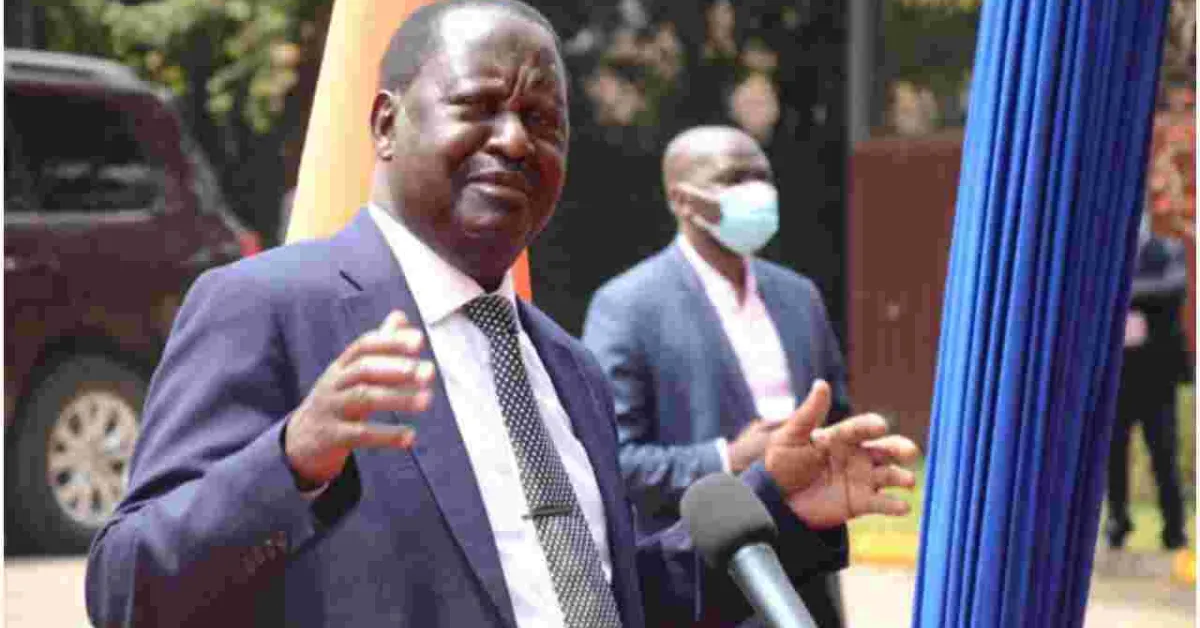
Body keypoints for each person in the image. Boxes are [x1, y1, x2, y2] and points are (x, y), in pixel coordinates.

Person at [84, 2, 920, 626]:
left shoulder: (568, 368)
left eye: (542, 120)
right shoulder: (267, 307)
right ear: (385, 124)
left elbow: (600, 600)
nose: (516, 140)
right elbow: (126, 587)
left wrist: (775, 508)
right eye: (479, 105)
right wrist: (292, 461)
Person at [583, 126, 853, 627]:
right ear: (682, 200)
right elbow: (615, 462)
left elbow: (836, 412)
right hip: (703, 587)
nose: (758, 191)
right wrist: (730, 458)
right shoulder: (627, 307)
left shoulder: (800, 297)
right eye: (734, 178)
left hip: (806, 583)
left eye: (763, 176)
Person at [1106, 220, 1190, 550]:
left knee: (1164, 455)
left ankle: (1174, 529)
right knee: (1113, 457)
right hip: (1118, 379)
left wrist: (1123, 294)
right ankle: (1117, 523)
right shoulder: (1109, 254)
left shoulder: (1168, 252)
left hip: (1157, 379)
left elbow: (1173, 287)